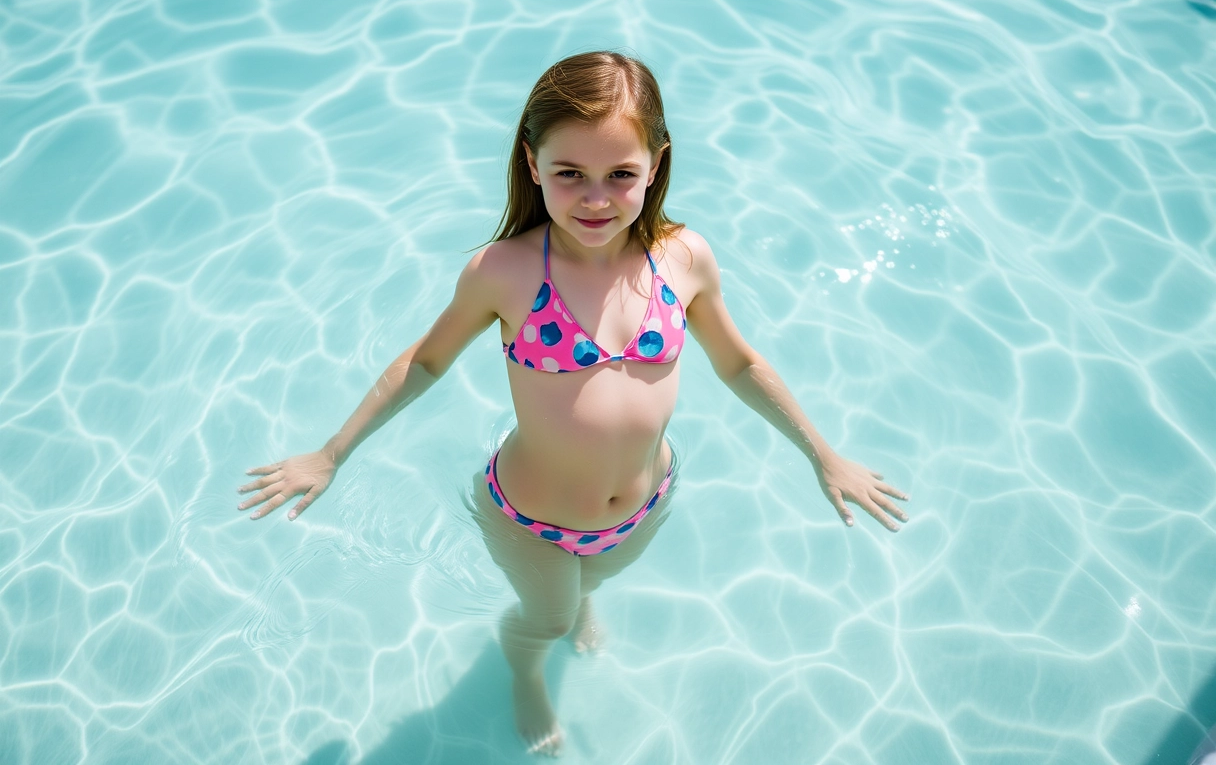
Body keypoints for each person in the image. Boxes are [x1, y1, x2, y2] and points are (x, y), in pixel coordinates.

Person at [237, 50, 909, 756]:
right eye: (570, 175)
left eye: (621, 175)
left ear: (656, 165)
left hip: (647, 504)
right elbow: (426, 360)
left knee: (584, 593)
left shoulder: (683, 259)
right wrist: (331, 453)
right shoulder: (508, 271)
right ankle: (528, 672)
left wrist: (823, 455)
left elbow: (739, 363)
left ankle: (576, 601)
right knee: (547, 622)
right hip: (532, 518)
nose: (596, 199)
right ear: (532, 165)